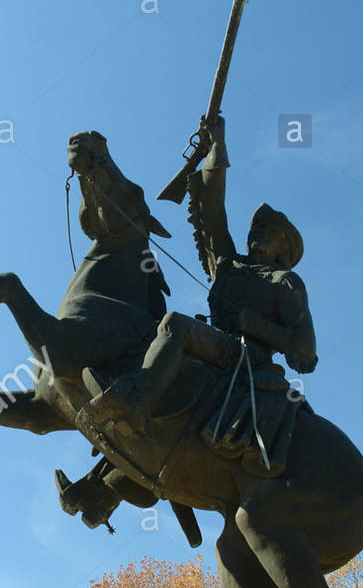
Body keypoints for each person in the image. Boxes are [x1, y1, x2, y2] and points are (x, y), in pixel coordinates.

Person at [82, 115, 317, 435]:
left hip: (246, 359)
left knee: (176, 325)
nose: (258, 232)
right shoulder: (228, 264)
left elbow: (305, 352)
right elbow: (212, 207)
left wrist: (256, 324)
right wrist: (217, 145)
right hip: (214, 348)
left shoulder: (285, 283)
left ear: (284, 247)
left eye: (269, 230)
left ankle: (137, 403)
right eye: (256, 227)